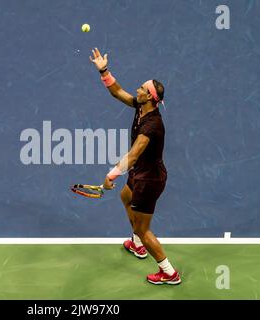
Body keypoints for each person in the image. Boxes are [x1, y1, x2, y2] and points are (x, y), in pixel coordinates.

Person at [89, 48, 181, 285]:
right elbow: (117, 92)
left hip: (149, 180)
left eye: (141, 88)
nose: (137, 89)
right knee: (124, 196)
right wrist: (103, 70)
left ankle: (169, 272)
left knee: (143, 229)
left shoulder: (152, 125)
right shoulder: (142, 107)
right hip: (141, 173)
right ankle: (138, 246)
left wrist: (112, 173)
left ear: (149, 96)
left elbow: (133, 154)